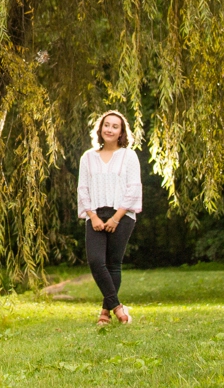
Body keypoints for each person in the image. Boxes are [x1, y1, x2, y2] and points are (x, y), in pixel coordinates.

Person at [77, 109, 142, 326]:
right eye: (107, 125)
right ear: (100, 128)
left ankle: (105, 312)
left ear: (121, 131)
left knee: (114, 264)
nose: (110, 129)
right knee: (96, 261)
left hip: (122, 215)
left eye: (115, 126)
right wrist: (93, 216)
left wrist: (116, 218)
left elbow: (134, 189)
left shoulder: (129, 156)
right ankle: (117, 307)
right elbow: (83, 189)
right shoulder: (88, 157)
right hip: (95, 215)